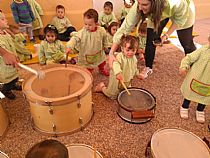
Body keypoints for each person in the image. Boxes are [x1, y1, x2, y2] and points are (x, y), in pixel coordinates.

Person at [109, 0, 196, 79]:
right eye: (138, 3)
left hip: (184, 12)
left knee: (186, 43)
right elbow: (125, 28)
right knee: (151, 39)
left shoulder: (177, 3)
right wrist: (111, 53)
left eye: (144, 4)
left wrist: (166, 35)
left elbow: (179, 21)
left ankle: (194, 70)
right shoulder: (140, 5)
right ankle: (148, 67)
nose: (139, 8)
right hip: (156, 11)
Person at [95, 35, 141, 99]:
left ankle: (121, 89)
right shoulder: (119, 56)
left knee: (125, 92)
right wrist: (118, 73)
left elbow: (134, 67)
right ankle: (102, 87)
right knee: (112, 95)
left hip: (126, 79)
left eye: (133, 50)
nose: (130, 53)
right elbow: (115, 64)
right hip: (117, 78)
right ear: (122, 48)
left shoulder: (134, 58)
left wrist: (138, 74)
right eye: (128, 50)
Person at [66, 9, 109, 76]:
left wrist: (105, 46)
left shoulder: (101, 30)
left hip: (98, 52)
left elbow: (105, 38)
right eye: (85, 24)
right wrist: (69, 47)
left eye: (90, 25)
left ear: (96, 24)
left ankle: (102, 69)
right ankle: (87, 74)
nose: (87, 26)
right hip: (87, 54)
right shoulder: (82, 32)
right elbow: (75, 38)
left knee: (101, 62)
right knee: (87, 68)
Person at [179, 35, 210, 124]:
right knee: (190, 92)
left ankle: (200, 109)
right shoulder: (203, 50)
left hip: (208, 81)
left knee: (205, 95)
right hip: (197, 77)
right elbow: (189, 57)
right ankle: (185, 106)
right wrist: (184, 66)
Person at [0, 11, 21, 100]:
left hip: (12, 64)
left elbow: (12, 44)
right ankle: (6, 90)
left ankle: (13, 85)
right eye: (2, 19)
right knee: (9, 80)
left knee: (15, 77)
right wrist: (5, 54)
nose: (6, 20)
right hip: (5, 68)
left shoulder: (5, 32)